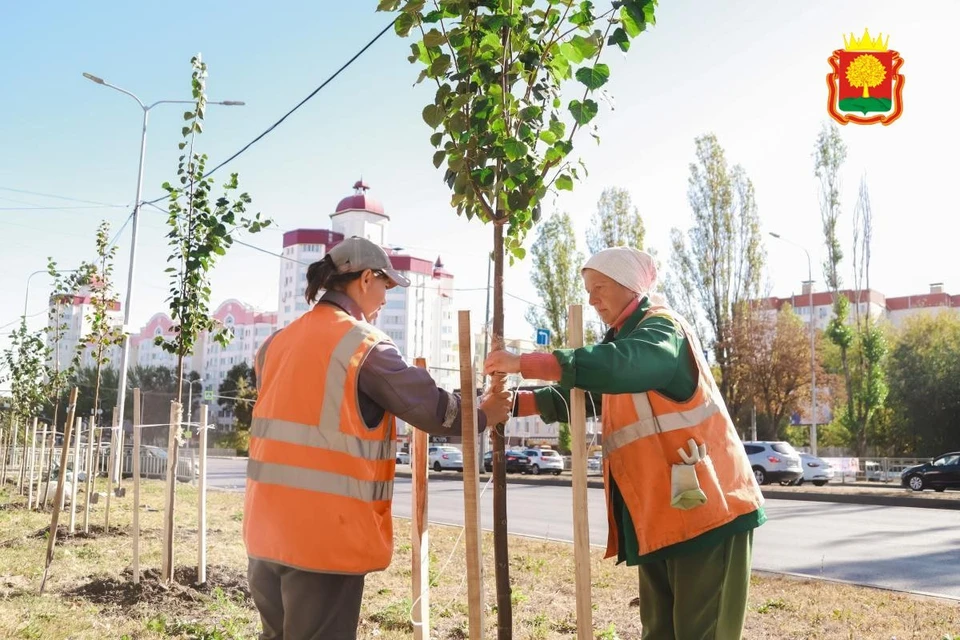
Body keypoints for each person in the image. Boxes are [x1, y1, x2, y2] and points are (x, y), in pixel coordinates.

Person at [484, 246, 765, 640]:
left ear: (631, 287)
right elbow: (587, 396)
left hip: (711, 512)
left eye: (599, 287)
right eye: (587, 289)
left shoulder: (661, 331)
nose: (592, 299)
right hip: (663, 516)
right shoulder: (621, 344)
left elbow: (622, 364)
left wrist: (527, 363)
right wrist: (516, 403)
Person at [244, 236, 513, 640]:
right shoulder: (361, 344)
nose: (386, 299)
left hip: (264, 533)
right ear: (366, 279)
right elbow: (431, 408)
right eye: (386, 286)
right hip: (322, 540)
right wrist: (484, 413)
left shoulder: (274, 344)